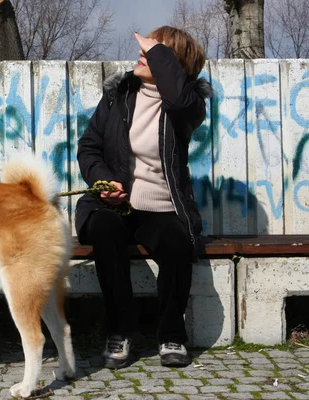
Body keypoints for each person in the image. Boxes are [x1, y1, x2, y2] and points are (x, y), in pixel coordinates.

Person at [75, 26, 212, 368]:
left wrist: (157, 52)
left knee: (177, 244)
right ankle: (121, 331)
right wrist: (104, 182)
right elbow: (89, 147)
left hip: (161, 207)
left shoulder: (187, 107)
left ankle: (170, 335)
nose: (142, 53)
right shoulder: (118, 96)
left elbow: (179, 98)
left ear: (172, 63)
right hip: (112, 206)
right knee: (105, 230)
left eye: (154, 52)